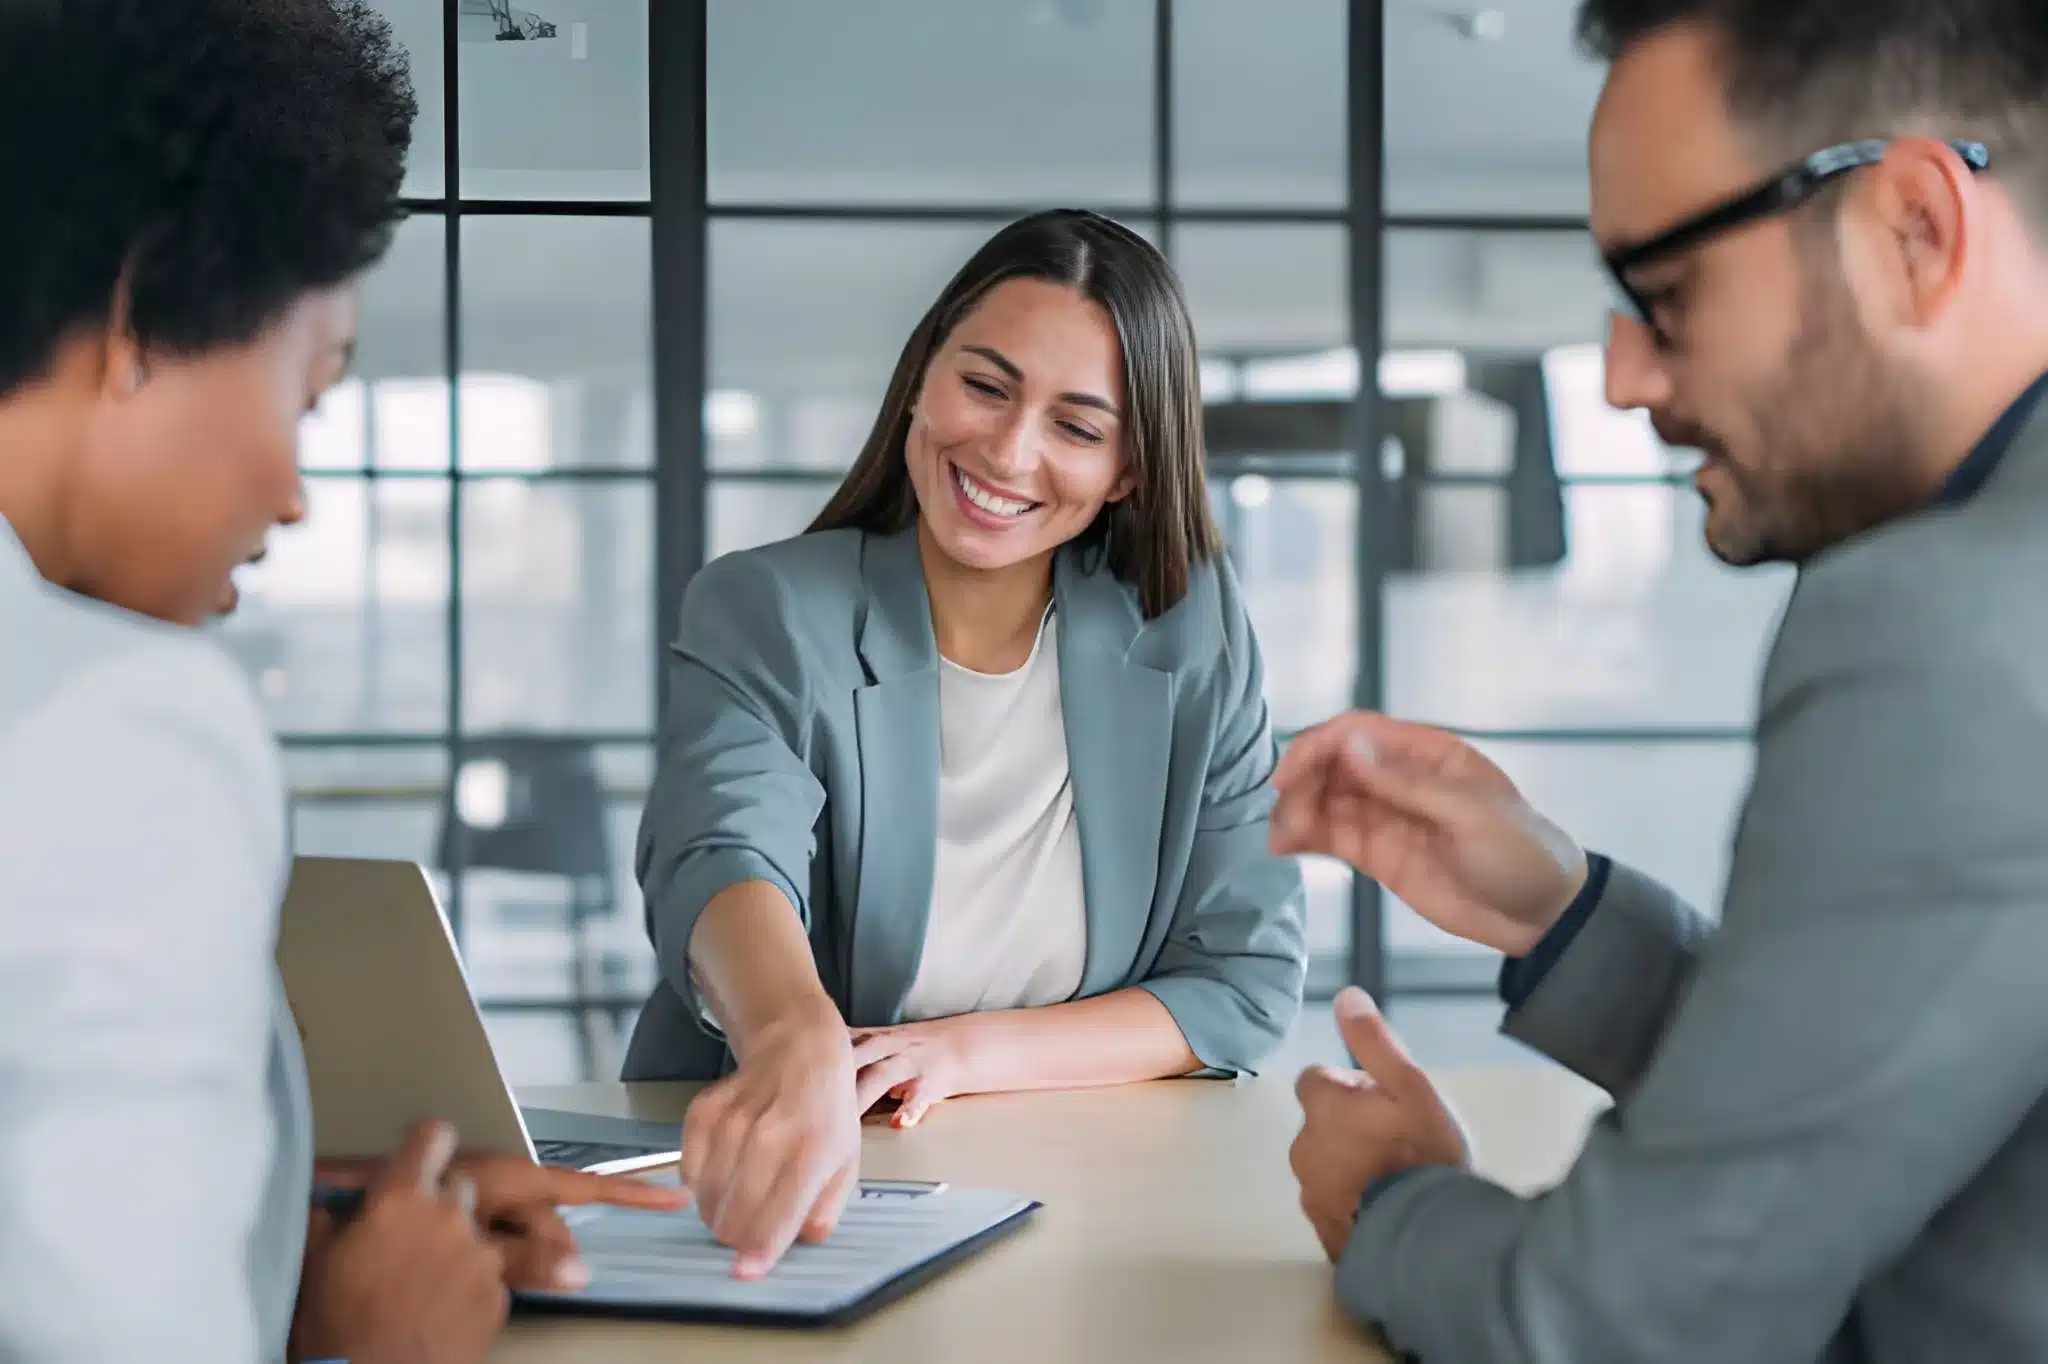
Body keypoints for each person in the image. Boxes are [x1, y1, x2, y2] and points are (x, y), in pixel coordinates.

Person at [1275, 1, 2048, 1360]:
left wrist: (1389, 1203)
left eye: (1667, 294)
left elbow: (1624, 1323)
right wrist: (1557, 906)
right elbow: (1867, 1099)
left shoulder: (1940, 622)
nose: (1624, 376)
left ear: (1915, 230)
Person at [0, 5, 679, 1362]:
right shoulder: (114, 727)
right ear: (140, 320)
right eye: (305, 391)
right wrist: (375, 1339)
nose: (295, 492)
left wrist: (264, 1248)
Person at [625, 209, 1307, 1276]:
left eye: (1076, 427)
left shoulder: (1192, 631)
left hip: (1098, 1189)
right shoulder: (767, 608)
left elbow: (1242, 982)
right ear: (922, 377)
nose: (1007, 450)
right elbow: (720, 849)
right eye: (985, 386)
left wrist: (965, 1052)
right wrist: (793, 1034)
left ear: (1129, 468)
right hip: (795, 1185)